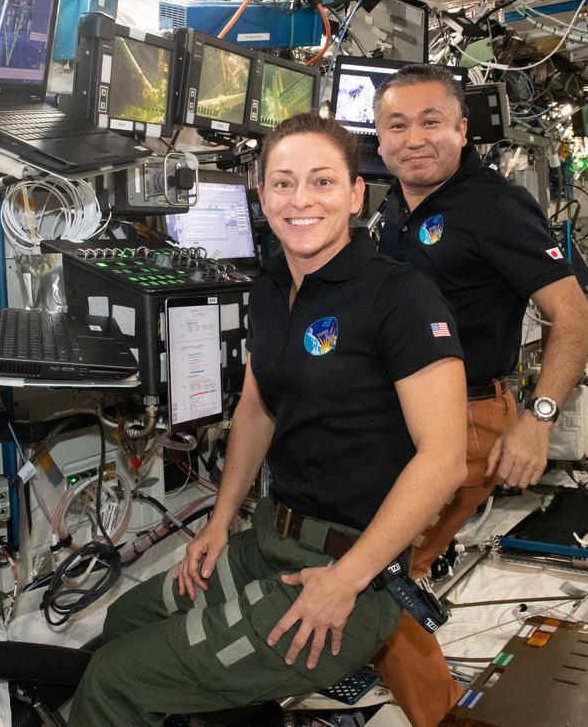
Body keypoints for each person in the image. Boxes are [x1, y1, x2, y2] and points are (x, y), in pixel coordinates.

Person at [67, 113, 471, 725]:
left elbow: (444, 460)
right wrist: (220, 522)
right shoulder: (270, 285)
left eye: (322, 182)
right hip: (271, 541)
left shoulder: (400, 297)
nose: (300, 200)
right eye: (282, 183)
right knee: (126, 620)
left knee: (113, 682)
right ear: (261, 196)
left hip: (350, 568)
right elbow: (257, 406)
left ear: (357, 194)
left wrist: (347, 582)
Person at [369, 64, 588, 726]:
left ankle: (439, 713)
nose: (414, 138)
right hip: (405, 420)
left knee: (374, 572)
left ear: (463, 130)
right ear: (379, 139)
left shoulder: (493, 205)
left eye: (431, 121)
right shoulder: (394, 207)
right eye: (397, 124)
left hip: (463, 420)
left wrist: (539, 421)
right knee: (391, 566)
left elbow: (575, 318)